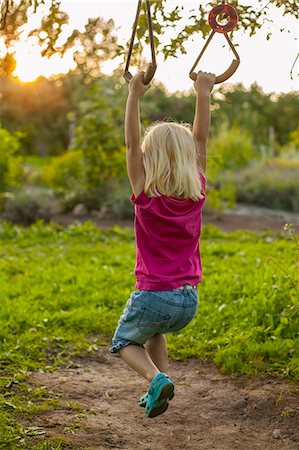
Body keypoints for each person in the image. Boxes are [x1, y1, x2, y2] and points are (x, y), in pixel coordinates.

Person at [109, 70, 215, 418]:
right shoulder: (196, 190)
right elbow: (200, 140)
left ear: (148, 157)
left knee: (126, 342)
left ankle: (154, 378)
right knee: (156, 331)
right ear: (188, 159)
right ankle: (161, 384)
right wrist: (203, 93)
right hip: (188, 300)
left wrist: (133, 96)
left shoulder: (145, 192)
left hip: (154, 293)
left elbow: (129, 143)